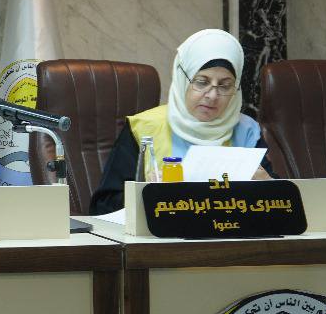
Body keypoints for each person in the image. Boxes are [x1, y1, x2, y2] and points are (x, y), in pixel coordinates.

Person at [90, 28, 271, 214]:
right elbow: (103, 207)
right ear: (182, 78)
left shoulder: (247, 131)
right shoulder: (144, 128)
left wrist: (270, 187)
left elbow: (279, 202)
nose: (212, 95)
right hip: (162, 232)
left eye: (225, 86)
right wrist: (146, 193)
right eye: (202, 82)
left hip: (231, 231)